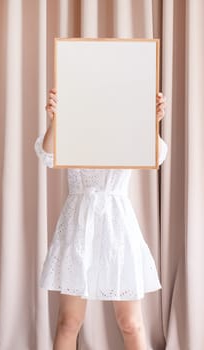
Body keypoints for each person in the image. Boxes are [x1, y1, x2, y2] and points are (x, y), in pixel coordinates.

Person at [34, 88, 168, 350]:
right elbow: (47, 155)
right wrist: (55, 121)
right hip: (78, 224)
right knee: (69, 322)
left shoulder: (128, 120)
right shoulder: (72, 117)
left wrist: (152, 124)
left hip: (117, 223)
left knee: (131, 323)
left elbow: (155, 157)